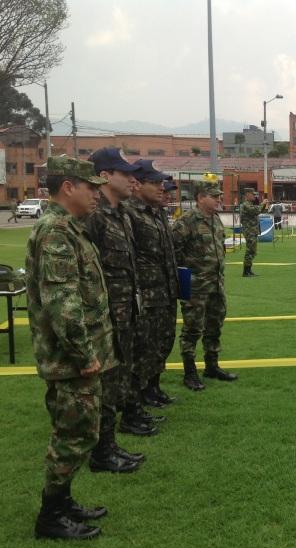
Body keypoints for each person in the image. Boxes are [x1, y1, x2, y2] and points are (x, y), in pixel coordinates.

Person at [27, 155, 114, 540]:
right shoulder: (56, 232)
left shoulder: (68, 228)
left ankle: (62, 502)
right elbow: (63, 302)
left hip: (76, 356)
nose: (96, 194)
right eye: (90, 187)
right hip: (71, 359)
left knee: (77, 431)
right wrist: (85, 354)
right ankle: (51, 517)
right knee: (73, 435)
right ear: (68, 187)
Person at [87, 148, 152, 471]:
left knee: (120, 378)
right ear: (103, 176)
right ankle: (101, 451)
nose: (132, 179)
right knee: (106, 382)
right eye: (124, 173)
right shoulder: (94, 217)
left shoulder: (122, 214)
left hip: (127, 313)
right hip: (105, 317)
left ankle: (110, 444)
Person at [173, 179, 238, 390]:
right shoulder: (186, 222)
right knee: (192, 329)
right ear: (200, 198)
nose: (220, 199)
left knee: (214, 326)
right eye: (215, 196)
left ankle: (212, 366)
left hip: (216, 285)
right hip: (195, 287)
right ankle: (189, 372)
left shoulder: (216, 220)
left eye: (220, 195)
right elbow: (174, 254)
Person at [125, 160, 178, 410]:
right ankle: (138, 396)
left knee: (162, 342)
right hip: (145, 296)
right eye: (155, 183)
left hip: (165, 291)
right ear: (137, 184)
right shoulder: (129, 214)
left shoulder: (157, 213)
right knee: (142, 348)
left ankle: (152, 388)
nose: (162, 188)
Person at [240, 188, 268, 276]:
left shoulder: (250, 204)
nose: (254, 196)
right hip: (249, 231)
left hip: (252, 230)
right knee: (250, 250)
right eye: (253, 194)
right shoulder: (245, 205)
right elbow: (255, 211)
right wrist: (262, 203)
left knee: (253, 251)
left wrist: (263, 205)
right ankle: (246, 271)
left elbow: (259, 210)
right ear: (247, 195)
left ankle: (248, 270)